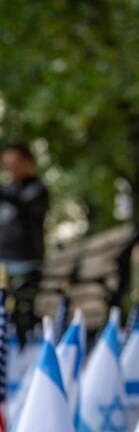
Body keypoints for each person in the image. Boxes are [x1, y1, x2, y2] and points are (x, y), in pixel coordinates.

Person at [0, 144, 49, 342]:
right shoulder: (9, 190)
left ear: (30, 164)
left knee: (21, 308)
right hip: (3, 262)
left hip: (26, 265)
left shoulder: (37, 189)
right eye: (7, 165)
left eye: (15, 164)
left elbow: (25, 205)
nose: (11, 170)